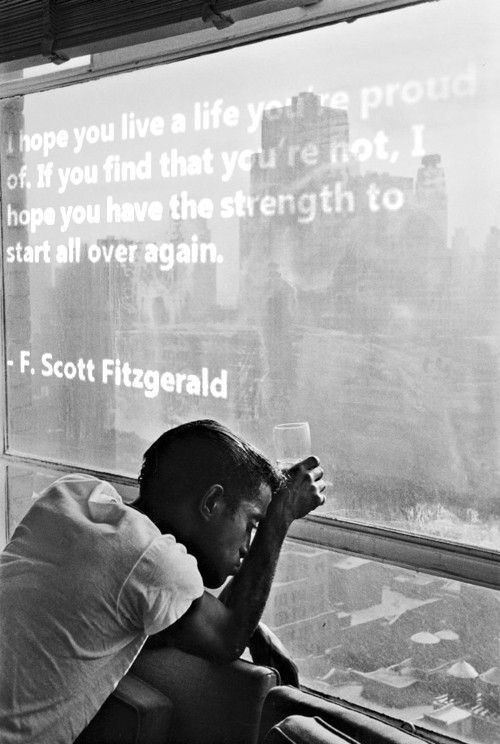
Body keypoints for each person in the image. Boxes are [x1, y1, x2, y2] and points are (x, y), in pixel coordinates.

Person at [0, 419, 325, 743]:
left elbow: (181, 613)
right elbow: (227, 638)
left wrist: (249, 624)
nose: (247, 548)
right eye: (252, 524)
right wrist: (280, 517)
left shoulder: (71, 494)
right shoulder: (150, 559)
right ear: (211, 502)